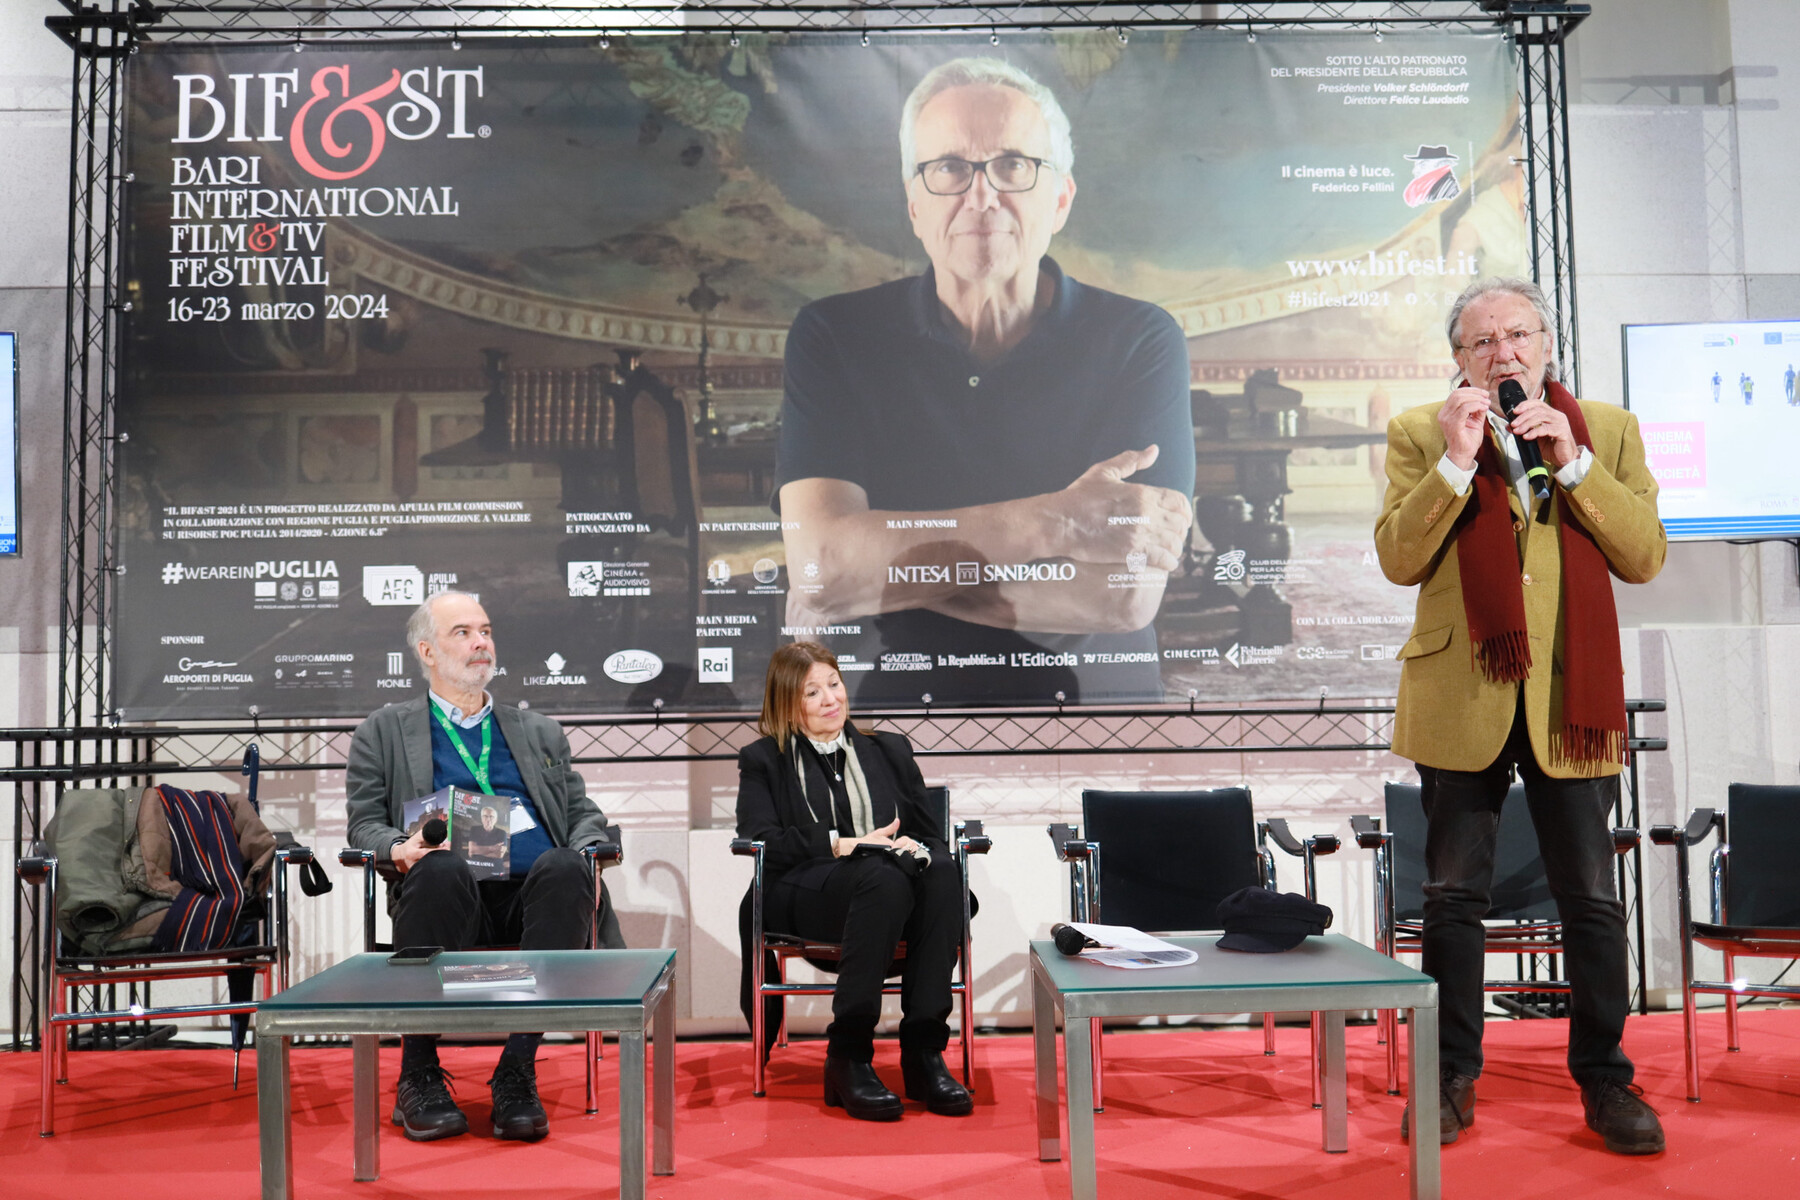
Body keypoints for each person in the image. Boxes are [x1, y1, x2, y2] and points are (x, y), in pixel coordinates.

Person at [775, 56, 1195, 705]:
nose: (980, 196)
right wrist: (1060, 522)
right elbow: (822, 566)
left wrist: (870, 574)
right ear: (915, 205)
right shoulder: (834, 333)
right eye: (949, 168)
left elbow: (1123, 595)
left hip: (1094, 705)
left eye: (1013, 165)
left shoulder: (1141, 337)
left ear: (1060, 199)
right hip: (884, 699)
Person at [1375, 277, 1668, 1156]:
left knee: (1591, 898)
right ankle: (1449, 1076)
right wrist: (1455, 463)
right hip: (1462, 690)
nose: (1503, 352)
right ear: (1459, 360)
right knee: (1451, 897)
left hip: (1569, 695)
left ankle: (1606, 1079)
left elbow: (1644, 556)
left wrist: (1575, 465)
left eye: (1518, 335)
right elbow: (1398, 558)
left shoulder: (1606, 429)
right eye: (1482, 341)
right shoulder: (1421, 432)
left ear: (1547, 343)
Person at [346, 590, 624, 1144]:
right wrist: (399, 848)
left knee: (567, 866)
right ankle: (418, 1071)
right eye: (463, 633)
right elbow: (364, 825)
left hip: (530, 899)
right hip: (448, 897)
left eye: (486, 631)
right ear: (427, 651)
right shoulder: (383, 730)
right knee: (440, 868)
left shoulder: (538, 731)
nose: (481, 643)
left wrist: (589, 849)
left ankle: (517, 1068)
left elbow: (581, 813)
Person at [734, 641, 971, 1121]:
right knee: (881, 877)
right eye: (812, 692)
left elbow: (929, 833)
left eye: (834, 684)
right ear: (787, 703)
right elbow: (762, 839)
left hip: (886, 891)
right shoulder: (763, 759)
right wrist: (842, 844)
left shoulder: (889, 749)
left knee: (942, 872)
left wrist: (916, 847)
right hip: (804, 891)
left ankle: (924, 1053)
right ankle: (848, 1055)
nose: (831, 699)